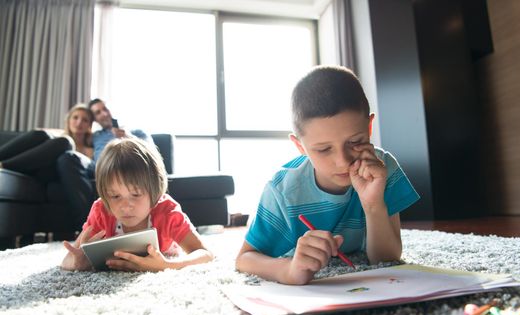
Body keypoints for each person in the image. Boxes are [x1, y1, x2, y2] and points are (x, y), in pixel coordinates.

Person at [235, 66, 420, 285]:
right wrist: (289, 270)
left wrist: (373, 204)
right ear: (300, 146)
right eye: (323, 149)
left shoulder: (381, 168)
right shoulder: (282, 191)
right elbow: (244, 259)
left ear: (369, 127)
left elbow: (386, 260)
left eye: (355, 142)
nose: (343, 161)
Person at [60, 137, 213, 272]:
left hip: (168, 254)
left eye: (136, 194)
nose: (126, 206)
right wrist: (77, 262)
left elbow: (205, 254)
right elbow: (67, 260)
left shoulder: (167, 210)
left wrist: (166, 265)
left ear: (155, 192)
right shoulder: (102, 210)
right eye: (115, 196)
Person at [57, 98, 152, 231]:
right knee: (69, 157)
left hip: (130, 168)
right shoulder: (95, 136)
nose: (104, 114)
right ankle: (85, 228)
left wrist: (128, 136)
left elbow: (152, 154)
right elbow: (73, 133)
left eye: (105, 109)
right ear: (95, 119)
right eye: (98, 112)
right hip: (100, 169)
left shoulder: (137, 132)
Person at [0, 104, 94, 183]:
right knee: (42, 134)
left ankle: (4, 165)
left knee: (66, 142)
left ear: (89, 126)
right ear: (68, 120)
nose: (79, 123)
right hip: (31, 165)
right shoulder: (57, 140)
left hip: (50, 173)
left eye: (84, 120)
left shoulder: (90, 150)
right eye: (75, 117)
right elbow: (41, 133)